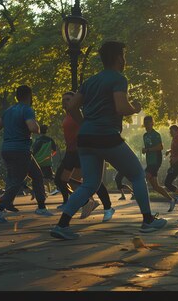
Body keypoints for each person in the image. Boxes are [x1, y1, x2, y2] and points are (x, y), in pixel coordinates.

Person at [49, 41, 166, 240]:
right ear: (119, 58)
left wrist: (86, 123)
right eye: (123, 55)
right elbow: (121, 107)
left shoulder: (89, 81)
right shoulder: (119, 78)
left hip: (85, 138)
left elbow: (72, 107)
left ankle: (62, 225)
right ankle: (148, 220)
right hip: (106, 136)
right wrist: (135, 108)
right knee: (137, 174)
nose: (124, 59)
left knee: (90, 184)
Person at [0, 85, 53, 222]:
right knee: (18, 180)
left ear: (17, 96)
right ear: (29, 95)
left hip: (7, 149)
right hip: (20, 150)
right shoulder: (26, 109)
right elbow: (33, 128)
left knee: (37, 175)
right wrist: (38, 127)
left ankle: (41, 207)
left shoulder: (8, 111)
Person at [53, 91, 115, 222]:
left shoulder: (79, 114)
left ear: (75, 101)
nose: (65, 101)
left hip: (82, 150)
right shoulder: (67, 115)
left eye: (68, 99)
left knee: (92, 181)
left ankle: (108, 207)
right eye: (63, 99)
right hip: (70, 152)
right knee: (61, 179)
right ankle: (87, 201)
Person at [142, 116, 176, 212]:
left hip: (156, 161)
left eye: (149, 122)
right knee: (155, 186)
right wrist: (145, 150)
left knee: (142, 180)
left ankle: (146, 208)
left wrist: (148, 149)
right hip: (149, 162)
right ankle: (171, 199)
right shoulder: (145, 135)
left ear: (152, 123)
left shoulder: (156, 134)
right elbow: (148, 147)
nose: (147, 124)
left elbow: (160, 147)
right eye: (145, 122)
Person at [162, 124, 178, 206]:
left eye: (171, 131)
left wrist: (177, 158)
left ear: (176, 131)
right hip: (174, 165)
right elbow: (176, 149)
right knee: (167, 183)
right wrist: (169, 151)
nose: (170, 133)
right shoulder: (175, 139)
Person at [32, 124, 57, 193]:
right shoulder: (50, 140)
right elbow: (54, 151)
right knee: (49, 177)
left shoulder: (37, 140)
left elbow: (34, 151)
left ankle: (43, 191)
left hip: (38, 162)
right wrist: (50, 156)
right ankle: (55, 188)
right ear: (46, 131)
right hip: (47, 162)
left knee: (41, 177)